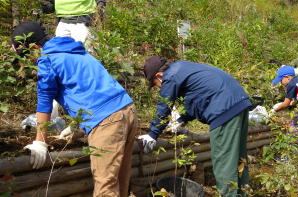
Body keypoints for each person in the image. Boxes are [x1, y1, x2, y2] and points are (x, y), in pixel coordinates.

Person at [12, 21, 136, 197]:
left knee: (105, 187)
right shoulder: (75, 52)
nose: (29, 62)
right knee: (121, 181)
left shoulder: (48, 59)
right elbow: (87, 89)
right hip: (128, 109)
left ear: (33, 47)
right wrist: (77, 125)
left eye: (25, 55)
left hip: (108, 120)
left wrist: (40, 142)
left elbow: (45, 100)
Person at [138, 56, 252, 196]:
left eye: (156, 84)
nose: (158, 87)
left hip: (224, 110)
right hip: (239, 103)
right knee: (238, 158)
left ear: (159, 75)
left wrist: (153, 133)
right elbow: (198, 98)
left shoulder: (170, 76)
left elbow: (164, 105)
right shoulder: (182, 68)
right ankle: (243, 193)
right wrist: (182, 119)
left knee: (224, 163)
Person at [40, 0, 106, 44]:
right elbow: (51, 4)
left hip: (83, 20)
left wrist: (100, 5)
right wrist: (44, 7)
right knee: (61, 52)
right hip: (62, 21)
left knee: (85, 52)